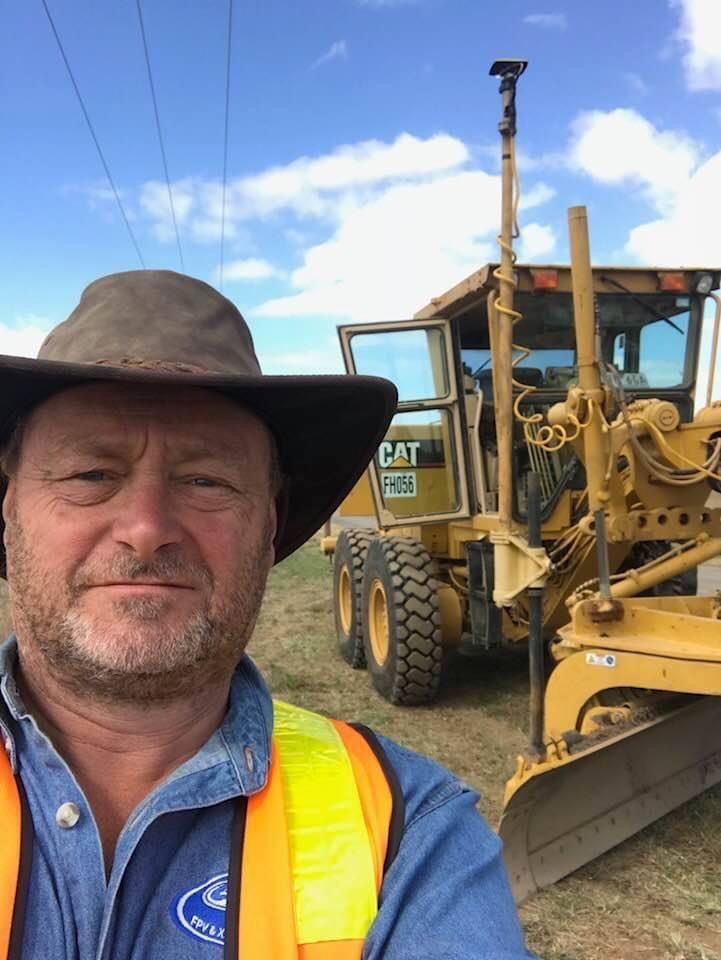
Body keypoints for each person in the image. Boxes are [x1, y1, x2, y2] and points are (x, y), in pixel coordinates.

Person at [0, 270, 535, 959]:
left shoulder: (404, 832)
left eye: (206, 481)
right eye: (90, 474)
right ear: (9, 509)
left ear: (269, 525)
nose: (145, 527)